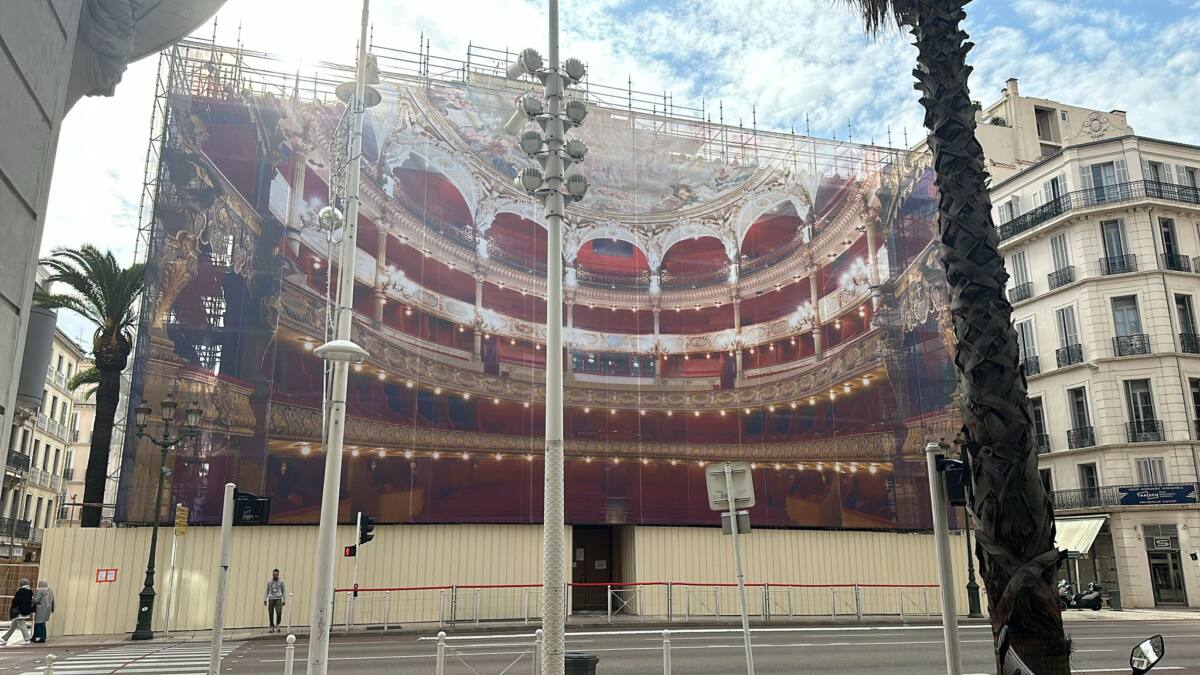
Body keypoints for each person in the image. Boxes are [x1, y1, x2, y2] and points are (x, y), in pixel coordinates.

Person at [0, 578, 34, 646]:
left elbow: (16, 601)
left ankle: (27, 639)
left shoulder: (20, 591)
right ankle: (4, 639)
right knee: (13, 626)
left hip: (19, 611)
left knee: (22, 625)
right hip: (25, 610)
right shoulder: (30, 591)